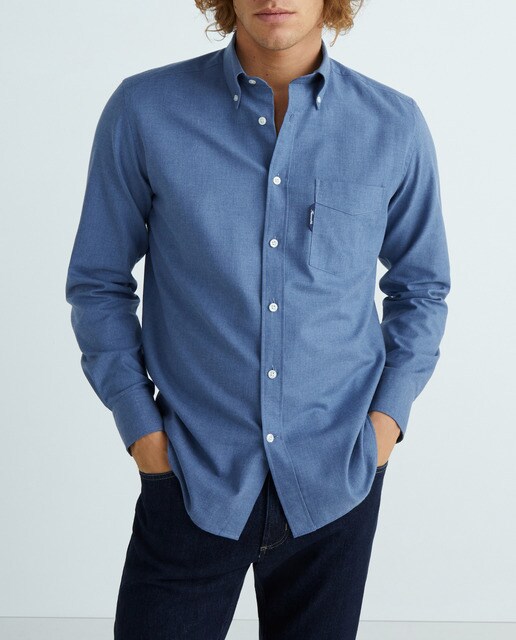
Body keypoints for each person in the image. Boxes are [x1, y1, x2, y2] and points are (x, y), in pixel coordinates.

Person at [65, 1, 451, 638]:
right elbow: (98, 282)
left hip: (338, 478)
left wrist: (384, 426)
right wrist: (143, 433)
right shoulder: (144, 111)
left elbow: (423, 288)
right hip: (191, 474)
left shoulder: (393, 124)